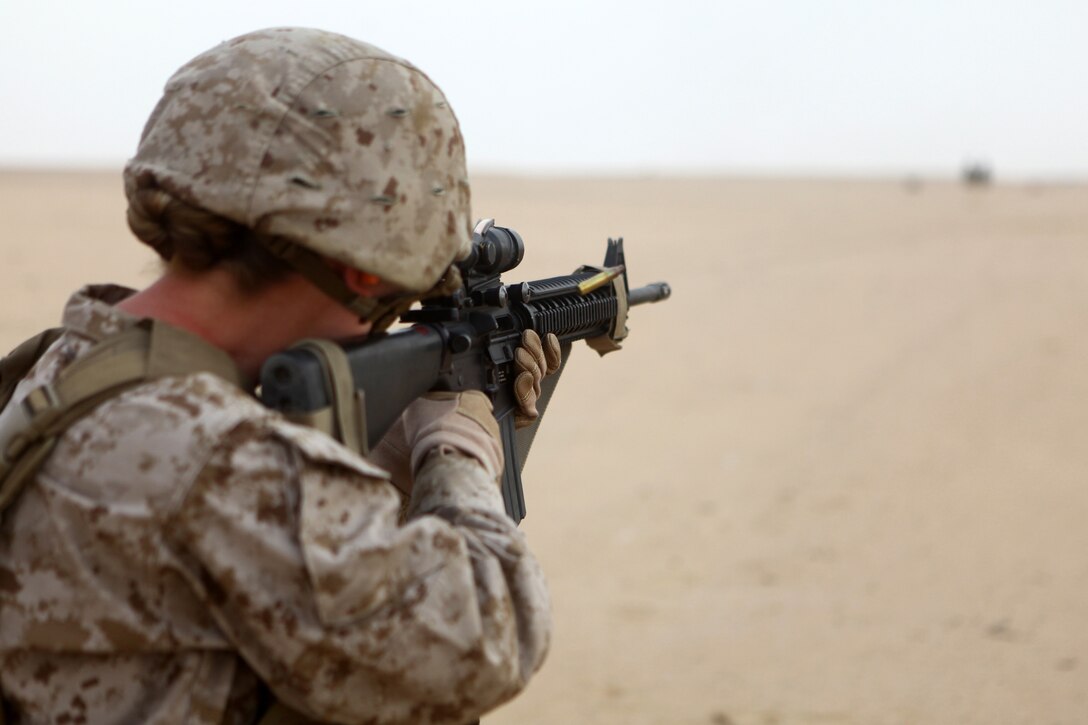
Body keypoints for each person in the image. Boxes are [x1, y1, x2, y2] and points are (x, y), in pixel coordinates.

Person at [0, 28, 557, 724]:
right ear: (367, 267)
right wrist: (460, 450)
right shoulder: (218, 458)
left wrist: (373, 454)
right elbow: (490, 634)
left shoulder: (68, 361)